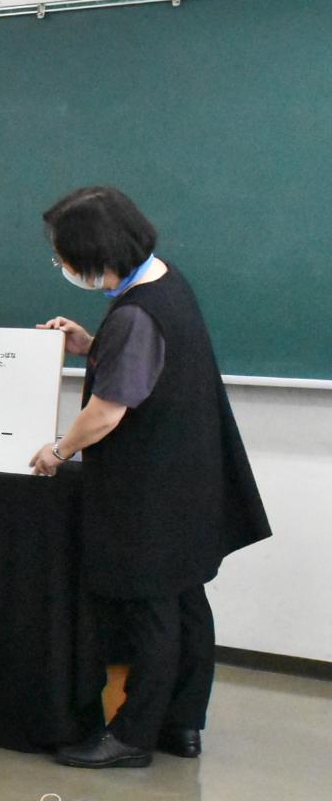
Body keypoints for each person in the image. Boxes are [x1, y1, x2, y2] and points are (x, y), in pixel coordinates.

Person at [29, 187, 270, 769]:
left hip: (150, 490)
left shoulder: (136, 312)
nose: (63, 267)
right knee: (186, 600)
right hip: (190, 479)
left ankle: (132, 736)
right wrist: (92, 346)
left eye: (65, 256)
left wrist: (57, 450)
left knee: (151, 611)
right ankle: (182, 725)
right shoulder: (166, 282)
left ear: (96, 251)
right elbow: (146, 370)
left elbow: (108, 412)